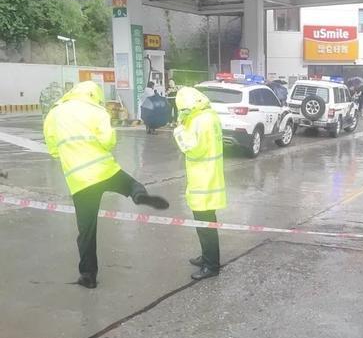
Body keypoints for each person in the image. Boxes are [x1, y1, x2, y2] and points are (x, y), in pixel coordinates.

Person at [43, 81, 170, 289]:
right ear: (94, 95)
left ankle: (88, 276)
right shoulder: (96, 111)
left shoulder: (54, 114)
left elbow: (53, 150)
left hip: (80, 180)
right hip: (103, 170)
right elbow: (108, 141)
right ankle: (138, 194)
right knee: (129, 183)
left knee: (86, 231)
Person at [173, 87, 226, 280]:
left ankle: (211, 265)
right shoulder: (209, 115)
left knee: (205, 225)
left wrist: (179, 130)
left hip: (203, 180)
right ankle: (207, 257)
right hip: (209, 177)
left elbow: (193, 148)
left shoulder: (200, 120)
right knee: (206, 223)